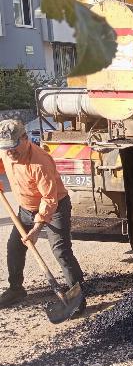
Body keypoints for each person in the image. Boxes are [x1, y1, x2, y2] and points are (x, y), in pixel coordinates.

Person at [0, 119, 85, 312]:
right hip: (25, 209)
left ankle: (78, 296)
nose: (9, 152)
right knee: (14, 246)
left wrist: (37, 228)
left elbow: (49, 199)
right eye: (5, 148)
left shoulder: (40, 162)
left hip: (55, 208)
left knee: (61, 251)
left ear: (25, 138)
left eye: (13, 146)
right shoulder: (6, 152)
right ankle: (16, 289)